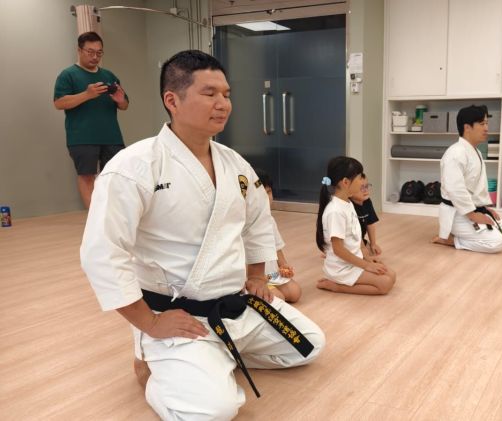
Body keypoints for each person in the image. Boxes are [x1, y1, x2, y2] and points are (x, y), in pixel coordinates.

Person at [80, 50, 325, 421]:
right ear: (172, 100)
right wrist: (149, 322)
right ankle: (152, 368)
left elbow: (258, 222)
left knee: (309, 346)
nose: (223, 104)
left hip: (235, 306)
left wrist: (257, 276)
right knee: (214, 412)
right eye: (209, 93)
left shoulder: (235, 164)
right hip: (179, 315)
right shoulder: (134, 166)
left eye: (226, 94)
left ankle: (213, 359)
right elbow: (103, 252)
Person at [54, 31, 129, 209]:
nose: (95, 57)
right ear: (79, 50)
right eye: (90, 52)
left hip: (112, 137)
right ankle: (94, 218)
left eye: (99, 52)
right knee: (87, 176)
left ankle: (112, 216)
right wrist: (87, 94)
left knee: (116, 176)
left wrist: (120, 100)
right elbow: (59, 103)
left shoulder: (109, 75)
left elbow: (125, 105)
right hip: (82, 137)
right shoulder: (68, 75)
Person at [432, 105, 502, 253]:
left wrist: (484, 209)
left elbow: (475, 188)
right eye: (482, 124)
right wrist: (473, 215)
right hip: (457, 213)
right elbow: (455, 190)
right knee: (497, 243)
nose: (486, 128)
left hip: (472, 208)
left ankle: (465, 234)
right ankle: (451, 240)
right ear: (467, 127)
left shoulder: (476, 152)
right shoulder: (455, 154)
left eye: (487, 123)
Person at [315, 156, 396, 295]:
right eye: (359, 178)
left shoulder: (348, 203)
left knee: (392, 275)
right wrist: (367, 266)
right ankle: (336, 286)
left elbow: (356, 237)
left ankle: (346, 280)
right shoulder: (335, 211)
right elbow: (338, 250)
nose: (362, 182)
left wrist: (367, 258)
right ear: (346, 182)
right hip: (341, 269)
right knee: (385, 284)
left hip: (354, 262)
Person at [255, 169, 302, 303]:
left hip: (271, 275)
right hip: (256, 278)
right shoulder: (244, 224)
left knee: (295, 293)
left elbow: (277, 248)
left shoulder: (270, 220)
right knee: (279, 298)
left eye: (269, 192)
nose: (267, 197)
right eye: (261, 194)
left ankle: (270, 289)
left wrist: (284, 266)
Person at [350, 173, 382, 256]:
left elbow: (370, 224)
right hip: (349, 240)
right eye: (361, 188)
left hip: (359, 240)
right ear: (350, 191)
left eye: (367, 186)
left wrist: (373, 244)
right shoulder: (348, 205)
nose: (365, 190)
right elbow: (352, 233)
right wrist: (362, 249)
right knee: (363, 256)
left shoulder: (367, 201)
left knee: (371, 253)